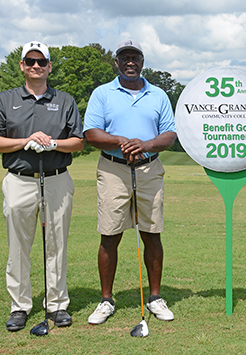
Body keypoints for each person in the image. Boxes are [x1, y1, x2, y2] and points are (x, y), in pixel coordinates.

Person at [0, 41, 84, 332]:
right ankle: (20, 306)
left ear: (50, 66)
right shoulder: (6, 100)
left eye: (42, 62)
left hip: (57, 178)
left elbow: (78, 141)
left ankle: (56, 305)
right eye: (30, 61)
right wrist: (25, 141)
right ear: (22, 66)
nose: (36, 66)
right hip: (19, 180)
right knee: (19, 246)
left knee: (57, 243)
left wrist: (53, 143)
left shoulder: (64, 100)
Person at [83, 39, 177, 325]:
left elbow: (169, 135)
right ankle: (106, 300)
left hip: (149, 169)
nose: (130, 62)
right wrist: (121, 140)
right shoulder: (102, 93)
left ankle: (155, 298)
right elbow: (91, 133)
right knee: (110, 235)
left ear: (142, 62)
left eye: (135, 57)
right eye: (125, 57)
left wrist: (145, 144)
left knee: (151, 233)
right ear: (116, 63)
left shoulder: (158, 94)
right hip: (113, 170)